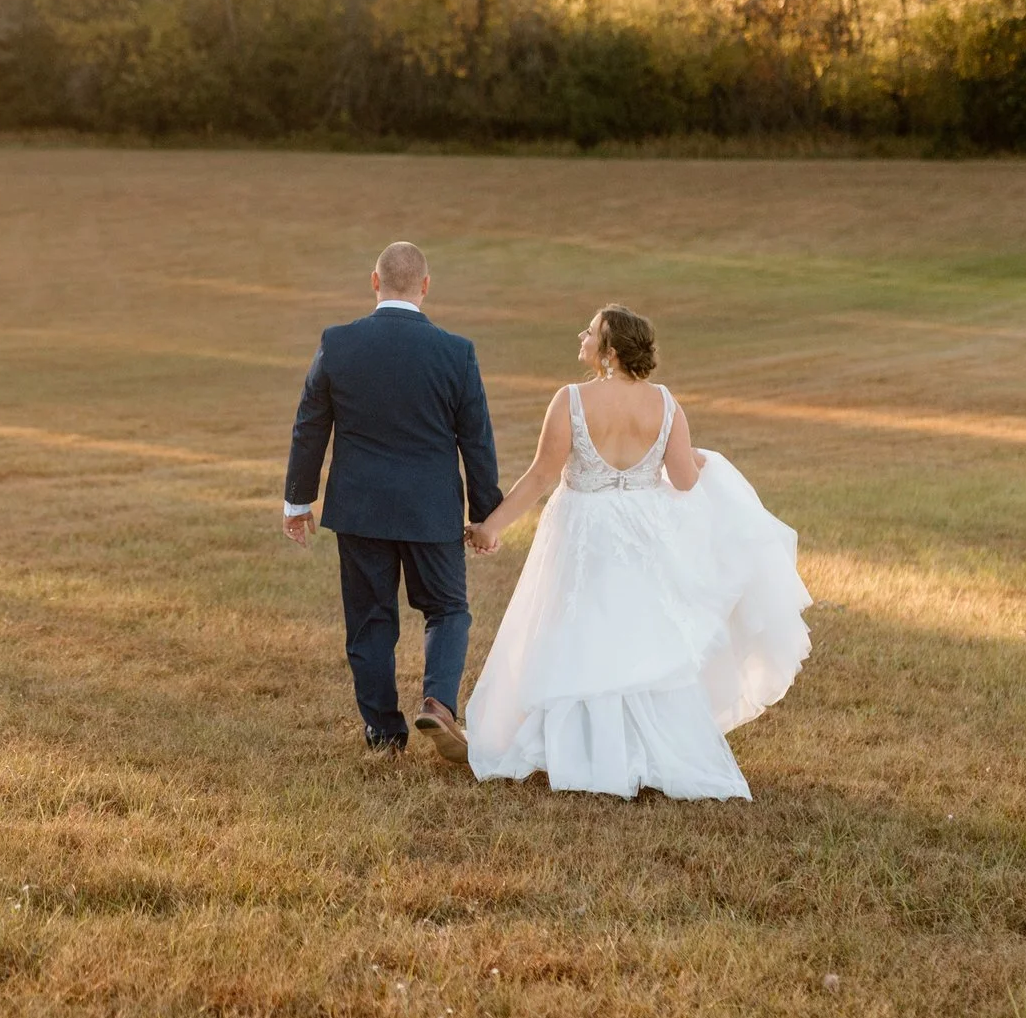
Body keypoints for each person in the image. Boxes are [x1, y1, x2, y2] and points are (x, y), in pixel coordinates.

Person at [461, 305, 810, 799]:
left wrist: (491, 528)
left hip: (582, 527)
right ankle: (645, 751)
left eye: (591, 331)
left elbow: (541, 475)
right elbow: (686, 479)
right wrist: (698, 458)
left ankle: (580, 751)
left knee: (578, 628)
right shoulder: (666, 404)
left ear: (609, 352)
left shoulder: (572, 399)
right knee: (640, 632)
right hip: (644, 531)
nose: (581, 334)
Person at [283, 242, 502, 761]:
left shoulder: (338, 344)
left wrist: (298, 501)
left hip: (360, 510)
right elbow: (477, 441)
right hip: (431, 512)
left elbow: (309, 426)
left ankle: (383, 733)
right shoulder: (456, 352)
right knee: (447, 608)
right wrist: (484, 514)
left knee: (369, 619)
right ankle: (438, 703)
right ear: (425, 286)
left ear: (374, 281)